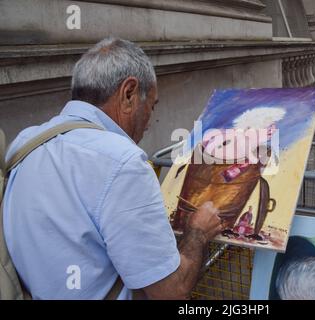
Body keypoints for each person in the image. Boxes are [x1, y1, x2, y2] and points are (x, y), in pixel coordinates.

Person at [3, 37, 222, 299]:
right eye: (151, 106)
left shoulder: (26, 142)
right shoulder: (123, 162)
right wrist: (198, 232)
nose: (150, 122)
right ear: (129, 94)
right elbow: (171, 292)